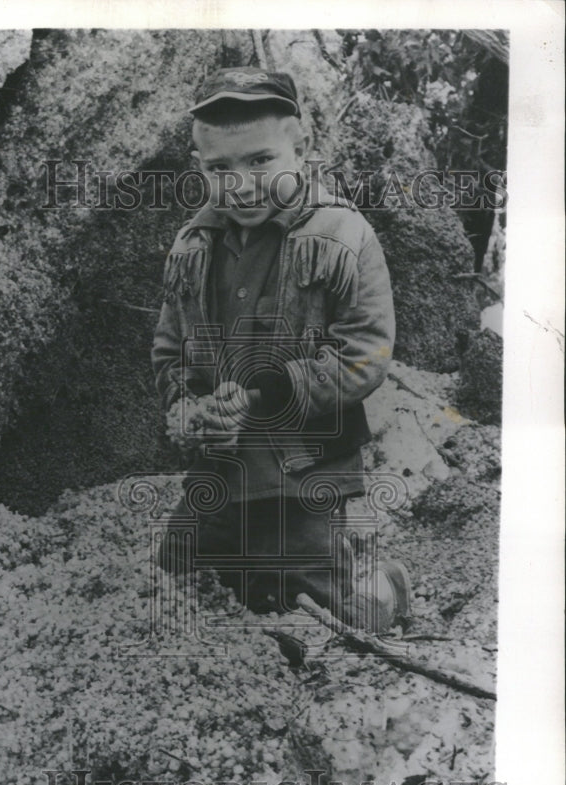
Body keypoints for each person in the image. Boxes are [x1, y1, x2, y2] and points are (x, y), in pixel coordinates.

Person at [151, 66, 411, 631]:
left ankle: (382, 584)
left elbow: (364, 354)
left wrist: (263, 394)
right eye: (220, 168)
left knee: (332, 614)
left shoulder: (343, 234)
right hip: (219, 466)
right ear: (200, 166)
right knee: (176, 574)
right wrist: (186, 409)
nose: (240, 184)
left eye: (260, 161)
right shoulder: (192, 244)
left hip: (308, 466)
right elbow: (170, 347)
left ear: (301, 146)